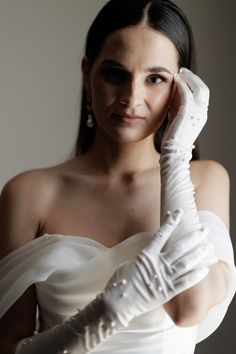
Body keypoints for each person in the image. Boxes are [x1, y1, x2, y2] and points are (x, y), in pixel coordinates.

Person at [0, 0, 235, 353]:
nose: (131, 98)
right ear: (86, 72)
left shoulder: (206, 180)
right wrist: (104, 315)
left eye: (155, 78)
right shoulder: (30, 193)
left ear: (181, 89)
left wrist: (175, 155)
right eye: (115, 73)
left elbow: (188, 305)